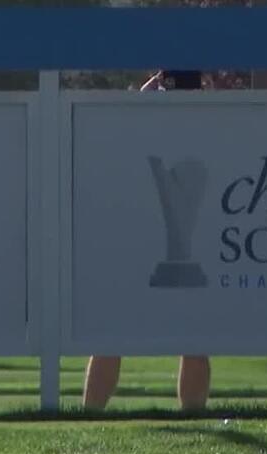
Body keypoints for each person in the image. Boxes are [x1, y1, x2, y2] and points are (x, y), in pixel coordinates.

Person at [83, 69, 214, 412]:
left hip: (162, 244)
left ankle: (92, 413)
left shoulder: (156, 122)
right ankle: (93, 415)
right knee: (120, 337)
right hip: (156, 244)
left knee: (183, 340)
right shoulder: (196, 124)